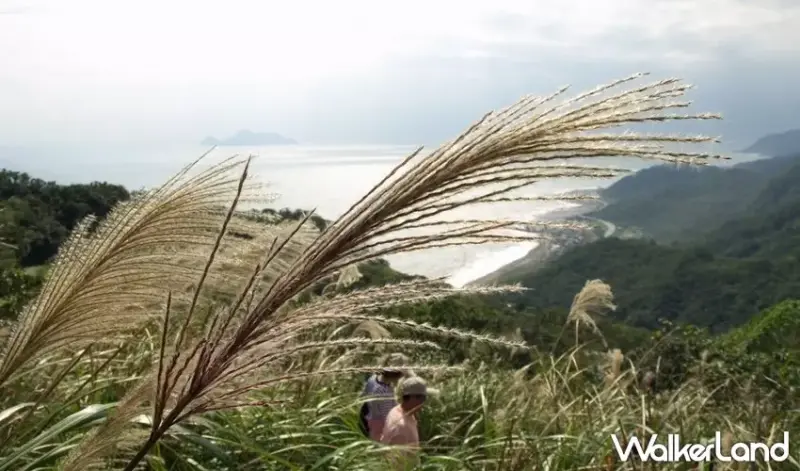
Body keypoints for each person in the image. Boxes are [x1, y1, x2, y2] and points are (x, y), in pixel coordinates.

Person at [380, 375, 427, 469]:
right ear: (413, 398)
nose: (424, 403)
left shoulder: (397, 410)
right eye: (423, 398)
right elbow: (397, 465)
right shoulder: (401, 427)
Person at [360, 353, 408, 441]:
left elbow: (363, 395)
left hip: (368, 416)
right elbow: (389, 418)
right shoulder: (384, 392)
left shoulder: (374, 378)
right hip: (379, 427)